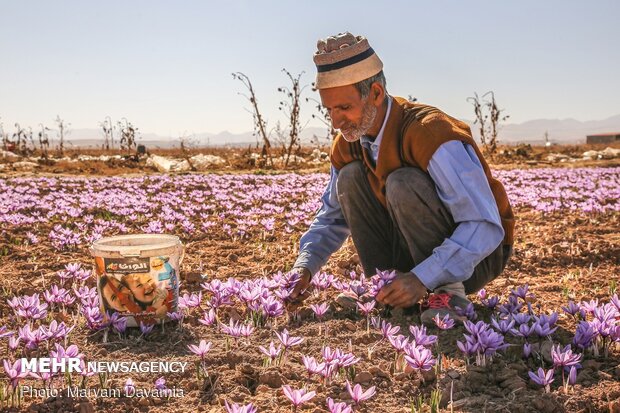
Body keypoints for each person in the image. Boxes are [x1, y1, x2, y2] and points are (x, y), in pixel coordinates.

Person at [288, 32, 514, 323]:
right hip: (411, 249)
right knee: (350, 177)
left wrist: (423, 277)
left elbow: (484, 226)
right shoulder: (347, 144)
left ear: (376, 94)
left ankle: (447, 291)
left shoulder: (430, 133)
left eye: (344, 108)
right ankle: (389, 288)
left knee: (402, 181)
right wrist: (304, 268)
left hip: (479, 257)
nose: (335, 121)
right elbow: (332, 216)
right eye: (329, 109)